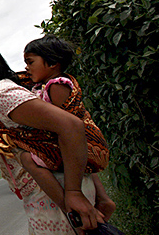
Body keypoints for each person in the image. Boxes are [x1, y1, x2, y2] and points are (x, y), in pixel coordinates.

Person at [0, 39, 104, 234]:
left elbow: (71, 125)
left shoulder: (0, 93)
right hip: (52, 192)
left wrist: (73, 194)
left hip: (56, 193)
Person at [20, 35, 115, 221]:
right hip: (82, 145)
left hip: (79, 142)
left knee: (27, 159)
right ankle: (103, 199)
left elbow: (66, 124)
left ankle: (69, 206)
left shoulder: (57, 86)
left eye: (30, 62)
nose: (26, 67)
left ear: (53, 63)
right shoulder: (46, 85)